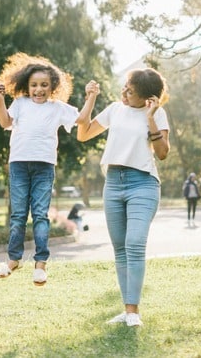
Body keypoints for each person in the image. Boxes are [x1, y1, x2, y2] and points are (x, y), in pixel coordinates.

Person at [76, 68, 170, 327]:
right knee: (120, 249)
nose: (125, 93)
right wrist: (91, 98)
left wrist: (150, 118)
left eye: (131, 91)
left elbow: (162, 153)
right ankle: (128, 311)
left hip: (143, 183)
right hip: (113, 184)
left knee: (135, 243)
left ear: (148, 98)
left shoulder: (157, 113)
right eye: (126, 87)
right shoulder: (115, 109)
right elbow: (82, 135)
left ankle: (133, 313)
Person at [0, 53, 95, 286]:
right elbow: (5, 123)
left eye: (44, 85)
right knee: (18, 215)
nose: (39, 90)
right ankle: (13, 260)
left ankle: (40, 265)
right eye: (34, 85)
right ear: (26, 86)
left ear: (53, 87)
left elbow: (81, 119)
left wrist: (91, 96)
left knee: (40, 215)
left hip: (44, 167)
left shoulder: (57, 108)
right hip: (19, 164)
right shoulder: (20, 103)